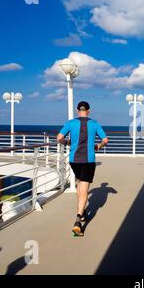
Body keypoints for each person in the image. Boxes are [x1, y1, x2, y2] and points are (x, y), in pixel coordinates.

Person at [57, 101, 109, 236]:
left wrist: (68, 142)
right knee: (84, 188)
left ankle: (83, 211)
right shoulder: (94, 123)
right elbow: (105, 140)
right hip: (88, 160)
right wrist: (98, 147)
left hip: (74, 160)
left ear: (77, 110)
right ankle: (78, 221)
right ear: (89, 110)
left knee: (79, 183)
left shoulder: (71, 123)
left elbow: (59, 137)